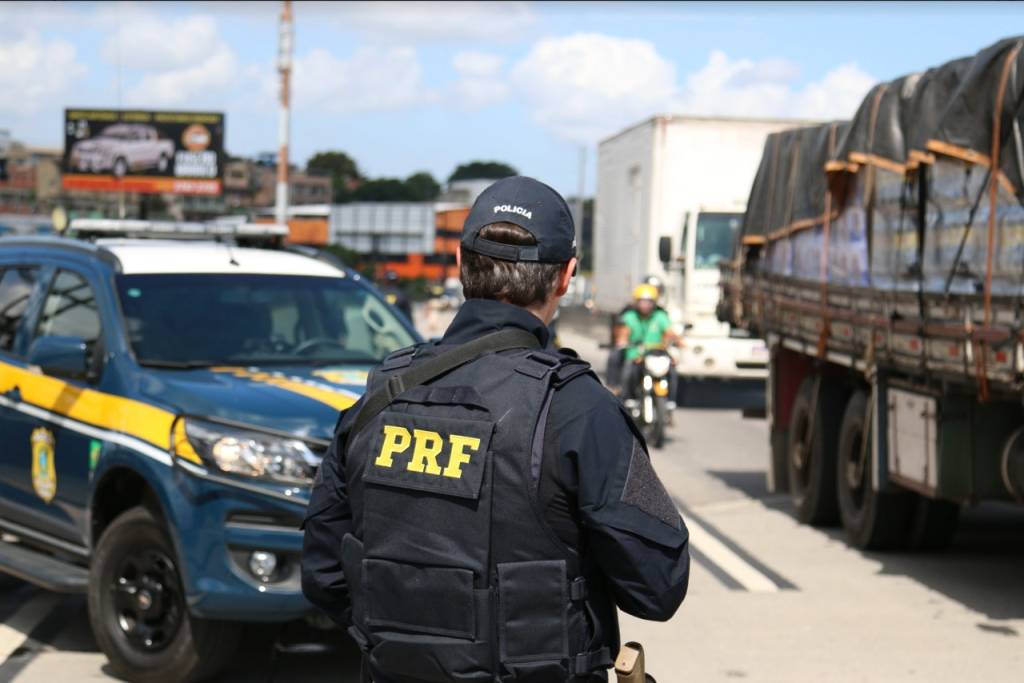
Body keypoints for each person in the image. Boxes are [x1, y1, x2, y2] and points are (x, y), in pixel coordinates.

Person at [301, 176, 690, 683]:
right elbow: (658, 586)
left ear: (462, 265)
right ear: (566, 276)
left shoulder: (382, 394)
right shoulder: (577, 409)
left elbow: (324, 574)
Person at [608, 284, 681, 405]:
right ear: (636, 302)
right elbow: (623, 334)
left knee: (672, 371)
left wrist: (678, 342)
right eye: (642, 301)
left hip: (656, 355)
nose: (645, 305)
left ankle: (670, 402)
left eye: (649, 302)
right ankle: (629, 398)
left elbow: (669, 332)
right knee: (629, 372)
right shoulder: (629, 317)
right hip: (635, 355)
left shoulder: (660, 316)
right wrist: (622, 341)